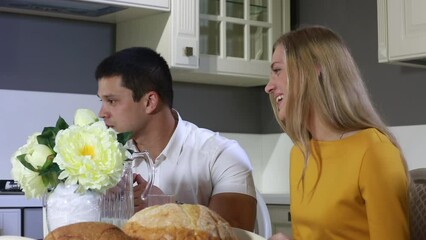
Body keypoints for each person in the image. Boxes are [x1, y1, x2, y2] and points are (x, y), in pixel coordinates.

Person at [264, 26, 410, 240]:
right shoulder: (300, 154)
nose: (269, 86)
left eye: (277, 70)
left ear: (312, 69)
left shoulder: (374, 152)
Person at [95, 47, 257, 231]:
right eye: (102, 101)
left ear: (149, 102)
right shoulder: (105, 162)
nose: (102, 113)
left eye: (112, 101)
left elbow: (235, 231)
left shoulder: (222, 154)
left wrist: (168, 209)